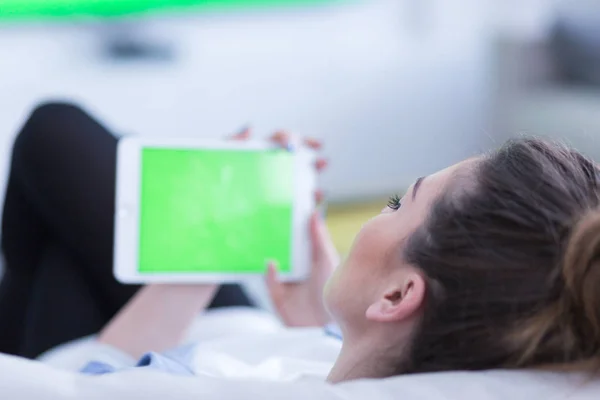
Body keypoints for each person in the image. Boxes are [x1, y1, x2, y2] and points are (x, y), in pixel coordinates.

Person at [3, 103, 600, 384]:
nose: (380, 211)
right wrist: (321, 317)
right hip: (263, 329)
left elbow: (88, 382)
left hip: (120, 347)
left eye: (399, 203)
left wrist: (195, 261)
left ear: (398, 296)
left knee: (53, 139)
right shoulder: (408, 356)